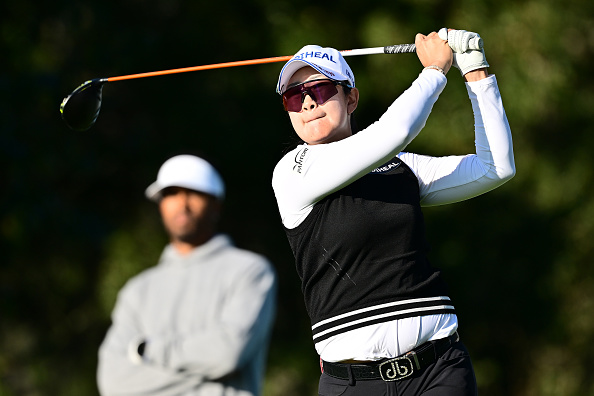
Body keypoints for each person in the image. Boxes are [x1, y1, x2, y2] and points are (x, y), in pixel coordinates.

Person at [271, 28, 515, 395]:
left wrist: (475, 70)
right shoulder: (292, 172)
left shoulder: (400, 167)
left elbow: (494, 167)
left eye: (319, 90)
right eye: (294, 96)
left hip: (438, 370)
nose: (306, 103)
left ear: (351, 98)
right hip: (351, 384)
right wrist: (434, 71)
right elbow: (394, 131)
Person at [97, 154, 277, 396]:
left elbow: (226, 355)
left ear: (216, 204)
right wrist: (206, 375)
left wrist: (148, 352)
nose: (182, 204)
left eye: (194, 192)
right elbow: (113, 382)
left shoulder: (250, 272)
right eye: (171, 193)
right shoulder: (136, 290)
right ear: (160, 204)